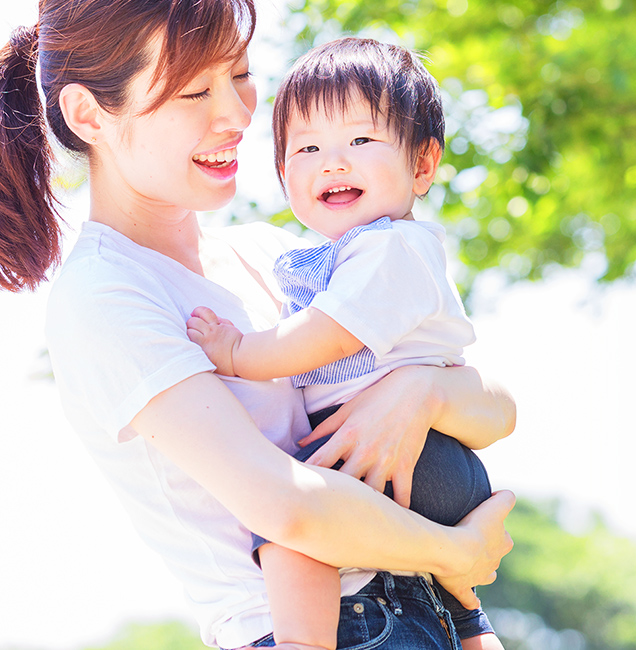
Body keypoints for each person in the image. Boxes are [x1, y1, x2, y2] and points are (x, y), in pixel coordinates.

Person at [0, 2, 516, 649]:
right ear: (88, 115)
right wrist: (454, 552)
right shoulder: (106, 295)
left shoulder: (276, 256)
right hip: (314, 629)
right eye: (195, 91)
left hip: (422, 608)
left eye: (240, 75)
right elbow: (287, 507)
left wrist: (425, 392)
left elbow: (496, 410)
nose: (239, 114)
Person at [187, 37, 504, 650]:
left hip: (415, 455)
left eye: (360, 141)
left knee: (289, 527)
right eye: (307, 148)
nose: (332, 162)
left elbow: (324, 337)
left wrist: (234, 352)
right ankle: (471, 627)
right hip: (422, 454)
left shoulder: (392, 248)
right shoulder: (350, 254)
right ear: (283, 176)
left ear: (421, 163)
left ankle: (304, 643)